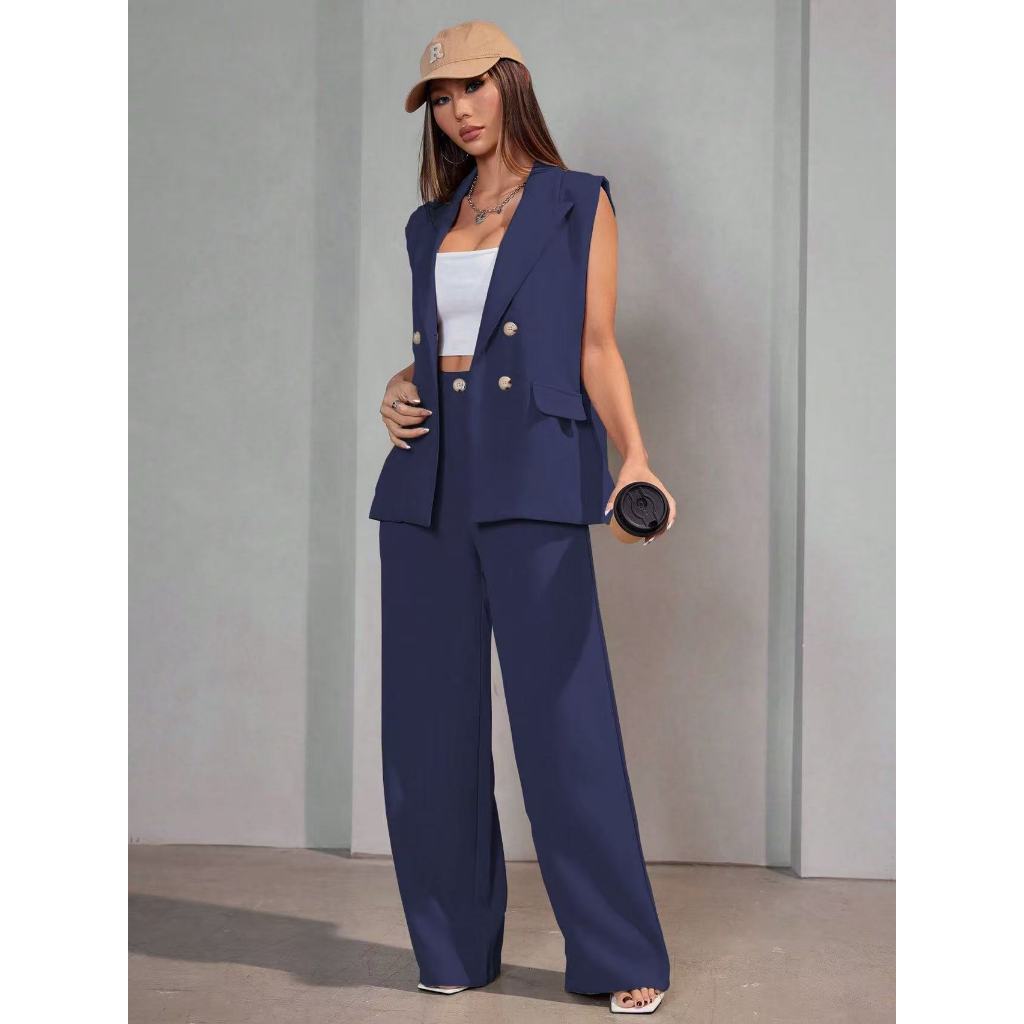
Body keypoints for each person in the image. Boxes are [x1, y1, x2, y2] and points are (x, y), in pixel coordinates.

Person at [368, 20, 677, 1015]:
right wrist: (398, 387)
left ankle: (619, 954)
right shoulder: (429, 222)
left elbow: (593, 344)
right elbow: (445, 343)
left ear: (510, 84)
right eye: (439, 98)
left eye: (472, 88)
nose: (458, 110)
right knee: (427, 730)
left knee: (563, 720)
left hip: (534, 466)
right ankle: (453, 943)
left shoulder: (575, 200)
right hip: (426, 477)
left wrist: (634, 456)